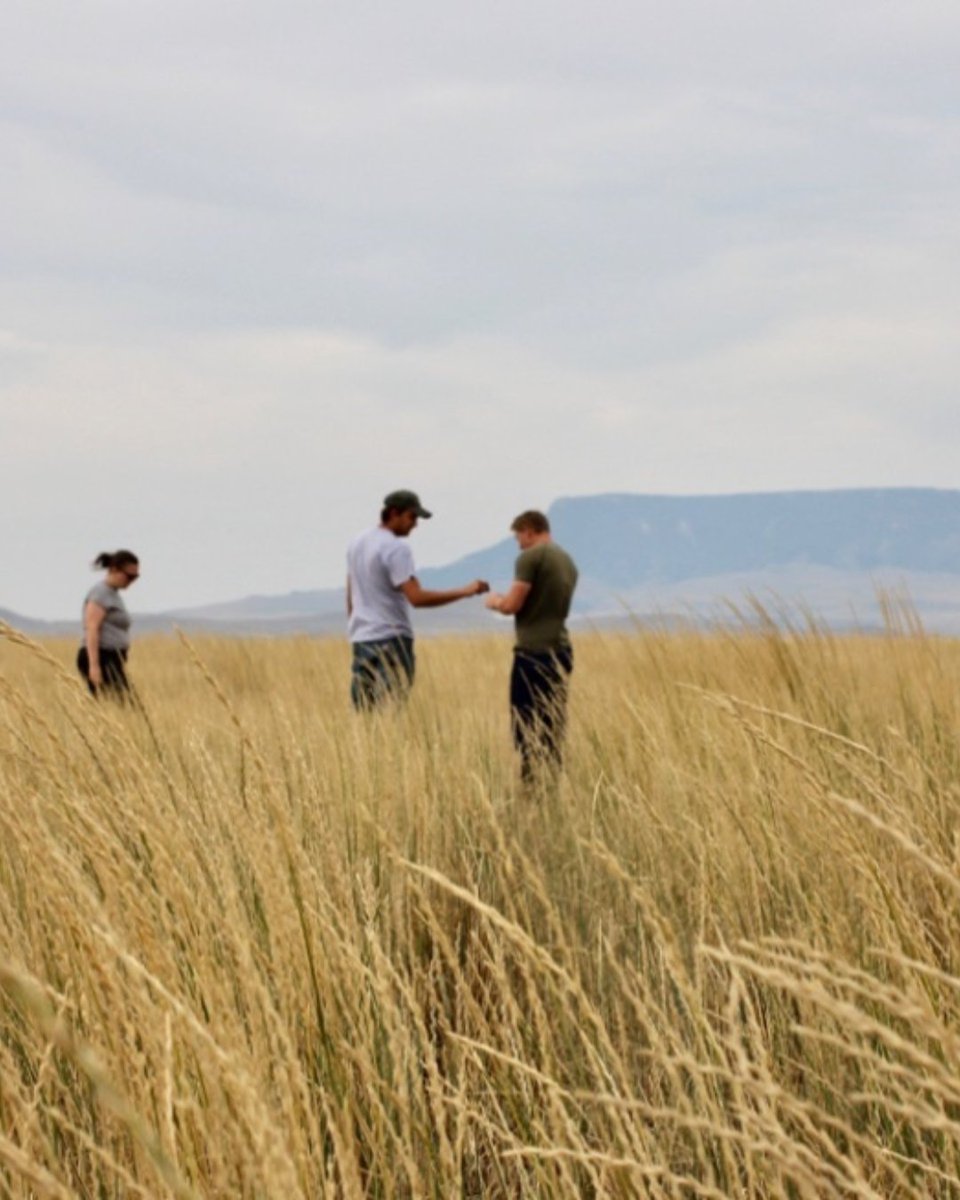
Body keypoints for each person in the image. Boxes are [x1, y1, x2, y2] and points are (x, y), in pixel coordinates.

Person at [346, 490, 489, 709]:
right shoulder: (396, 548)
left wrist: (355, 624)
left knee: (365, 713)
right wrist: (465, 591)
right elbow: (416, 597)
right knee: (392, 711)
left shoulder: (357, 542)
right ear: (394, 513)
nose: (415, 525)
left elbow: (351, 589)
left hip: (362, 639)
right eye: (412, 517)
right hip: (391, 639)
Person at [485, 511, 578, 782]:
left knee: (526, 725)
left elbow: (513, 604)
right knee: (553, 722)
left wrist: (495, 602)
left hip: (532, 652)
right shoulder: (567, 561)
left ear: (528, 530)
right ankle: (552, 779)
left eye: (518, 537)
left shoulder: (531, 557)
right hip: (560, 649)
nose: (518, 543)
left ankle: (531, 784)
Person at [78, 550, 140, 698]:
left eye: (135, 577)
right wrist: (94, 666)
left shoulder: (113, 594)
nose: (132, 581)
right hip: (101, 656)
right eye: (129, 576)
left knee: (113, 705)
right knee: (125, 705)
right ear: (114, 570)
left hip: (112, 659)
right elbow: (92, 628)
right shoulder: (100, 593)